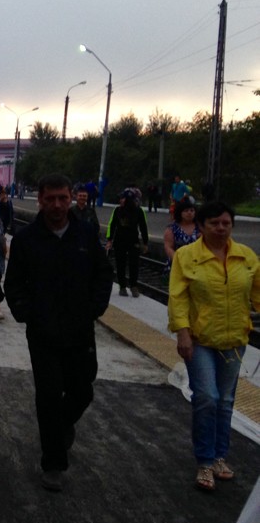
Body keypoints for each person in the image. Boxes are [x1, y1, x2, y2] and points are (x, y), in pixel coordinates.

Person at [4, 173, 113, 492]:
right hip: (43, 333)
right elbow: (13, 283)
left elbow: (103, 273)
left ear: (72, 197)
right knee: (49, 396)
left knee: (82, 390)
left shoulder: (85, 234)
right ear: (40, 199)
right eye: (50, 198)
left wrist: (95, 307)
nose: (57, 204)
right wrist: (26, 313)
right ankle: (53, 462)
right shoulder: (26, 239)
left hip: (80, 330)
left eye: (63, 198)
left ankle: (62, 425)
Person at [167, 201, 260, 491]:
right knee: (207, 396)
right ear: (202, 227)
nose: (221, 228)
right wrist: (182, 332)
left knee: (225, 401)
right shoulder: (187, 257)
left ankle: (220, 456)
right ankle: (205, 460)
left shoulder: (246, 257)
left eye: (226, 223)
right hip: (199, 339)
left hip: (234, 342)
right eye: (214, 223)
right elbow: (178, 297)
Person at [106, 190, 149, 297]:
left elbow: (143, 227)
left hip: (133, 241)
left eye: (123, 198)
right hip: (119, 241)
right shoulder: (117, 210)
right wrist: (110, 239)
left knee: (133, 263)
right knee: (121, 263)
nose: (121, 200)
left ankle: (133, 286)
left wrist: (145, 242)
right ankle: (123, 286)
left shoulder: (139, 211)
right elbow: (112, 225)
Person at [163, 200, 200, 270]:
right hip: (178, 265)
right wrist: (178, 260)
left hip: (197, 265)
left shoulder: (201, 227)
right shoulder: (172, 229)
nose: (189, 213)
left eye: (192, 211)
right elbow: (168, 247)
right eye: (186, 211)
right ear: (180, 213)